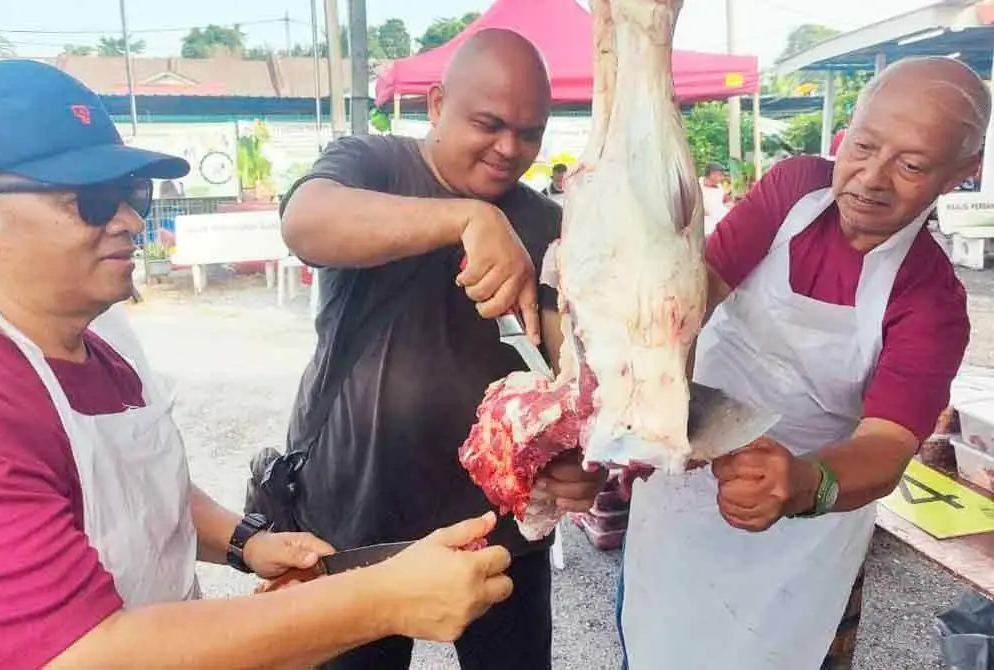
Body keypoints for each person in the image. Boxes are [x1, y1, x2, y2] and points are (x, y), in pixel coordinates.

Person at [0, 59, 514, 669]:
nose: (131, 221)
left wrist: (247, 543)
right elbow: (86, 654)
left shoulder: (105, 336)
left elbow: (135, 493)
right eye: (90, 201)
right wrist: (381, 602)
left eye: (132, 195)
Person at [618, 56, 990, 670]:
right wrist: (645, 390)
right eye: (863, 146)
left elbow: (886, 446)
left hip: (808, 516)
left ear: (961, 174)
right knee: (656, 638)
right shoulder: (794, 189)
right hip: (686, 477)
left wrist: (802, 482)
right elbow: (698, 292)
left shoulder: (931, 299)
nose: (871, 178)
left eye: (912, 165)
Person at [279, 29, 606, 670]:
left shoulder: (547, 223)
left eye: (530, 133)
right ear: (435, 104)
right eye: (489, 124)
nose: (509, 148)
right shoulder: (373, 164)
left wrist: (576, 464)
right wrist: (467, 219)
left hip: (496, 531)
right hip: (357, 518)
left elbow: (565, 377)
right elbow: (305, 223)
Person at [699, 162, 729, 236]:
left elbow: (721, 202)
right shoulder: (697, 186)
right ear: (712, 174)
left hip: (719, 225)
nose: (722, 178)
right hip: (704, 227)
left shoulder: (719, 187)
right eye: (720, 175)